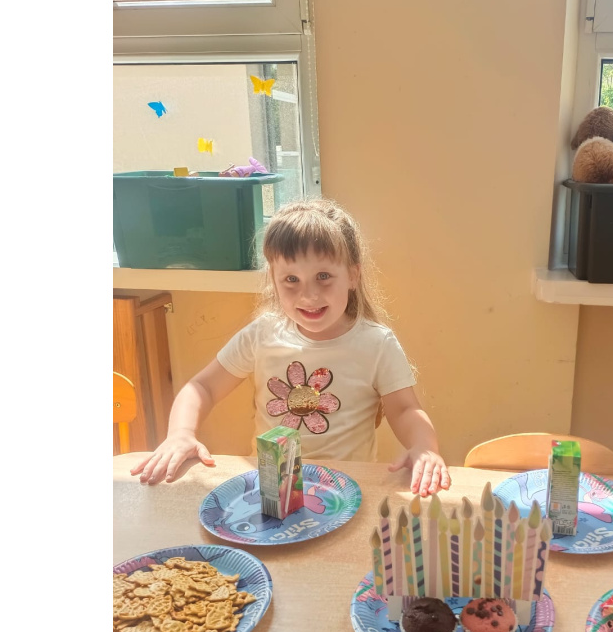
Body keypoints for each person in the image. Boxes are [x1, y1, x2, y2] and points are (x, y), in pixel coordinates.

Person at [130, 198, 452, 497]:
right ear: (274, 279)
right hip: (271, 490)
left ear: (353, 275)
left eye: (323, 276)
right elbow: (202, 387)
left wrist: (424, 447)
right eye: (291, 280)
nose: (308, 295)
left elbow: (405, 410)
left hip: (344, 492)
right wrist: (180, 434)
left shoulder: (376, 343)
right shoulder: (262, 335)